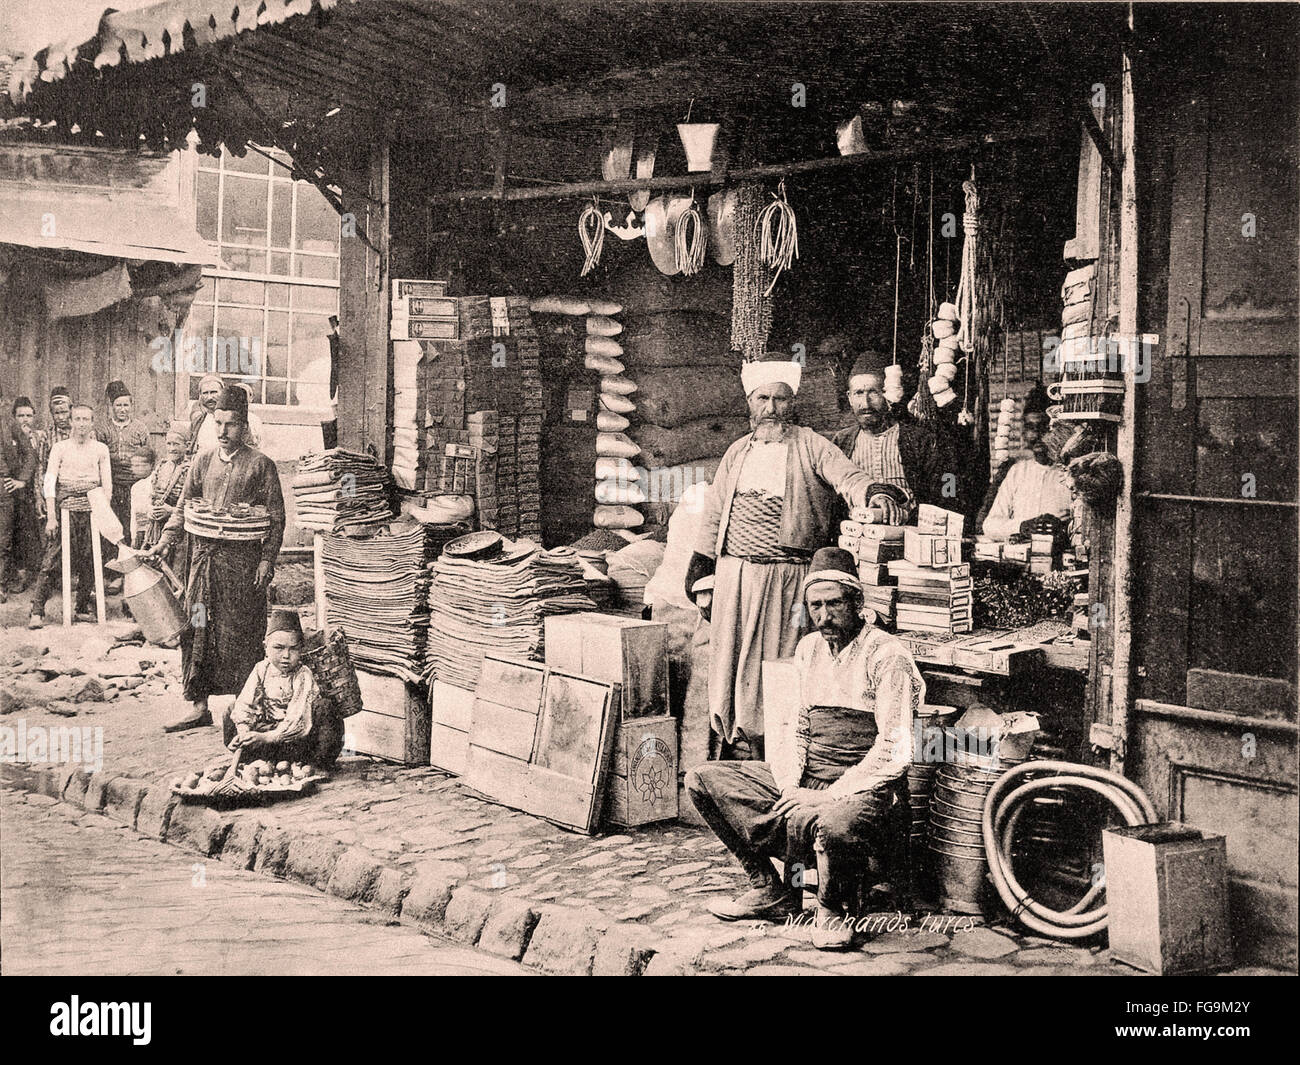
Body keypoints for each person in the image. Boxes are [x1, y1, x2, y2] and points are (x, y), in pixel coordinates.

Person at [686, 547, 923, 949]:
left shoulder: (887, 655)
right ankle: (771, 889)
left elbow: (893, 749)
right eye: (815, 606)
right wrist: (792, 788)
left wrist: (827, 795)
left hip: (866, 786)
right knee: (703, 780)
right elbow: (796, 729)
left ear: (858, 604)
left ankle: (833, 907)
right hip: (812, 774)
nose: (824, 616)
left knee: (834, 822)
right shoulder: (808, 649)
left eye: (834, 604)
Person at [684, 354, 877, 759]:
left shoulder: (811, 445)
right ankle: (735, 752)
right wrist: (702, 573)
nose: (771, 409)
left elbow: (848, 477)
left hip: (787, 580)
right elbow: (715, 514)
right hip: (736, 577)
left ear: (793, 403)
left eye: (781, 399)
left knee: (779, 667)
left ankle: (777, 754)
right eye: (762, 399)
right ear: (749, 404)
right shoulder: (736, 452)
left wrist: (871, 493)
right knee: (731, 667)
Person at [143, 385, 285, 733]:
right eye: (218, 422)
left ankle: (244, 707)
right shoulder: (202, 461)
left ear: (244, 424)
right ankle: (198, 703)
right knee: (196, 626)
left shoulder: (261, 465)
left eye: (231, 424)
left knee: (239, 631)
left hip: (242, 567)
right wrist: (165, 540)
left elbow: (277, 517)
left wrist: (267, 559)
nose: (223, 431)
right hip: (201, 564)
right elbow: (183, 506)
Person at [831, 351, 957, 522]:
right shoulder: (841, 441)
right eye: (858, 393)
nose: (866, 403)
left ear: (888, 393)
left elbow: (942, 496)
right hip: (855, 533)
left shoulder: (918, 439)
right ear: (849, 397)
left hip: (908, 531)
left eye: (874, 392)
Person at [223, 611, 344, 770]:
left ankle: (315, 765)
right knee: (232, 709)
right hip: (267, 736)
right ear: (265, 647)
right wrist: (244, 734)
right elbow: (246, 704)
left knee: (325, 707)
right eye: (278, 648)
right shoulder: (261, 669)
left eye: (293, 649)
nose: (286, 655)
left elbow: (298, 718)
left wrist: (267, 737)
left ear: (301, 649)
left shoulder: (303, 675)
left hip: (296, 738)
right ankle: (256, 760)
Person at [29, 404, 112, 627]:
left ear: (93, 422)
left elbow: (107, 486)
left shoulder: (101, 449)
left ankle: (82, 607)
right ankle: (37, 610)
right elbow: (50, 481)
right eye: (78, 419)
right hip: (65, 504)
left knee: (90, 558)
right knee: (52, 558)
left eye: (86, 419)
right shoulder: (60, 447)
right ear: (71, 421)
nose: (82, 423)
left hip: (92, 505)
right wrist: (52, 516)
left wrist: (104, 514)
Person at [976, 382, 1073, 543]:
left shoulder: (1070, 474)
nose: (1036, 435)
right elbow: (990, 525)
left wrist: (1063, 528)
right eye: (1030, 427)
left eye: (1044, 428)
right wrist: (1022, 527)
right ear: (1023, 431)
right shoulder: (1017, 471)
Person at [97, 380, 150, 569]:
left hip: (134, 487)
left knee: (131, 528)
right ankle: (111, 572)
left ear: (131, 405)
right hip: (111, 486)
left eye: (126, 405)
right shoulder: (102, 429)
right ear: (111, 407)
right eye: (118, 405)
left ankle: (129, 571)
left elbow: (146, 459)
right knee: (112, 528)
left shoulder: (140, 429)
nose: (122, 409)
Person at [1, 392, 36, 604]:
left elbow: (31, 455)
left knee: (2, 539)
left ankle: (1, 585)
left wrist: (22, 480)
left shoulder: (9, 424)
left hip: (3, 487)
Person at [7, 397, 43, 592]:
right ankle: (19, 575)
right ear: (14, 417)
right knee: (16, 533)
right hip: (15, 491)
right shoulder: (9, 437)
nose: (25, 419)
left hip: (35, 490)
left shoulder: (40, 437)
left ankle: (39, 574)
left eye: (29, 415)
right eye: (20, 415)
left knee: (33, 533)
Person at [138, 425, 190, 560]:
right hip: (156, 527)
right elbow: (152, 495)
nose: (172, 448)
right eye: (169, 444)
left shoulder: (190, 470)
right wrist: (150, 509)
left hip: (179, 529)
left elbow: (191, 505)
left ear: (187, 446)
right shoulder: (161, 466)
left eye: (176, 444)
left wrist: (171, 510)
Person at [188, 374, 264, 454]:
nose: (209, 397)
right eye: (205, 393)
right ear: (200, 396)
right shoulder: (199, 421)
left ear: (222, 392)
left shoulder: (242, 418)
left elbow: (251, 451)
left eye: (214, 392)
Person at [127, 446, 158, 549]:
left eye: (139, 465)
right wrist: (133, 537)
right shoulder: (135, 487)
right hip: (140, 531)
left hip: (154, 530)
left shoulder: (156, 482)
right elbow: (134, 514)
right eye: (133, 465)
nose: (134, 469)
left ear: (152, 465)